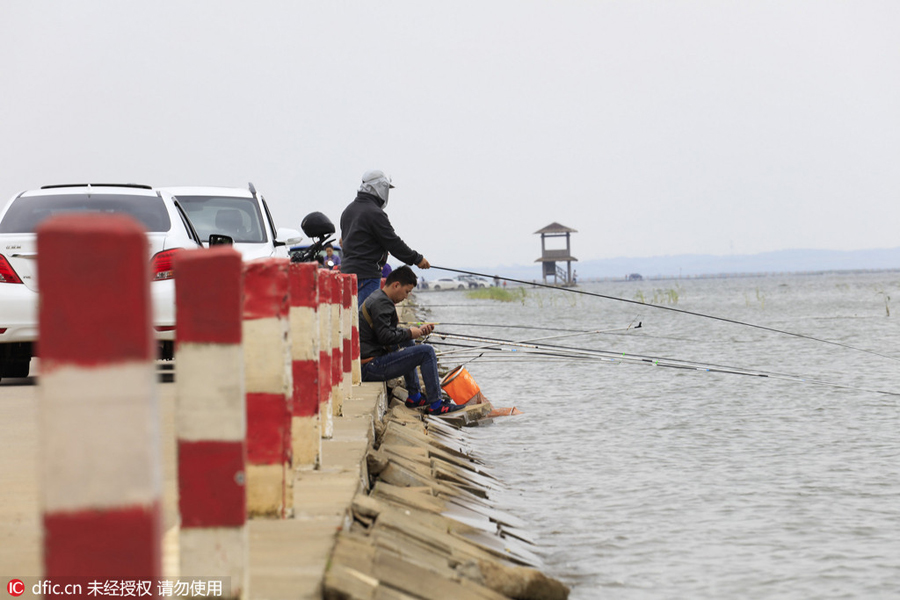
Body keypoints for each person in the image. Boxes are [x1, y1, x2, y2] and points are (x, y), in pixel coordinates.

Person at [358, 266, 463, 415]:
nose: (406, 297)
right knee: (427, 352)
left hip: (368, 361)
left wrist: (416, 331)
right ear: (396, 285)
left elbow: (387, 333)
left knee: (408, 342)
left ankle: (414, 396)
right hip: (371, 367)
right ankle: (436, 405)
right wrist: (409, 333)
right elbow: (385, 337)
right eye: (406, 291)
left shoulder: (378, 296)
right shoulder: (382, 304)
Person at [340, 169, 430, 303]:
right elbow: (393, 242)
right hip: (367, 274)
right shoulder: (374, 213)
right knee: (366, 318)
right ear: (379, 187)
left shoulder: (349, 210)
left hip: (347, 274)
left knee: (352, 318)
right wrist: (417, 259)